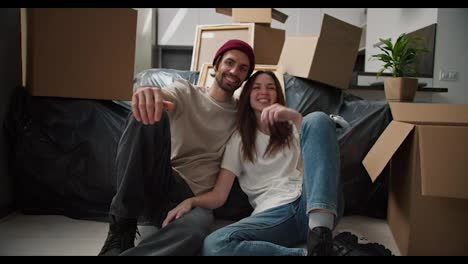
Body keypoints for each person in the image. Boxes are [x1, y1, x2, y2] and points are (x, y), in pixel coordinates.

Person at [164, 71, 392, 256]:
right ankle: (319, 251)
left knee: (318, 119)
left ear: (278, 95)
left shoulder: (296, 125)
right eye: (257, 87)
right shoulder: (238, 140)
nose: (264, 92)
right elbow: (219, 195)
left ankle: (320, 232)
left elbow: (313, 165)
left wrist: (294, 117)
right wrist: (191, 201)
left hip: (315, 201)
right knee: (215, 245)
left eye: (271, 87)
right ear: (247, 96)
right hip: (275, 215)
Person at [98, 39, 256, 256]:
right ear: (216, 64)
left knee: (196, 229)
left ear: (246, 77)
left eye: (242, 68)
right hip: (160, 180)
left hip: (194, 199)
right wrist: (148, 93)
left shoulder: (243, 116)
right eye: (229, 62)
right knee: (150, 114)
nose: (234, 71)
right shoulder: (185, 91)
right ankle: (121, 228)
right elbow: (162, 96)